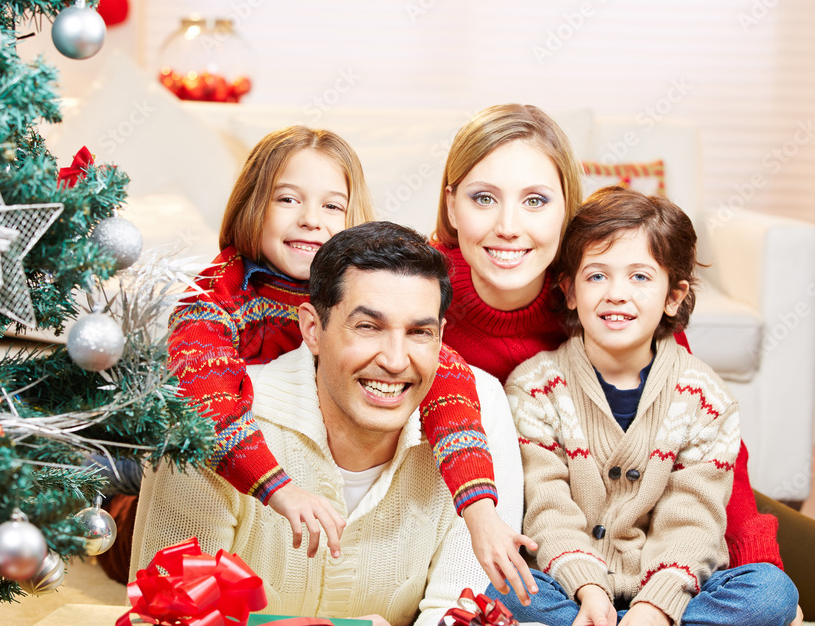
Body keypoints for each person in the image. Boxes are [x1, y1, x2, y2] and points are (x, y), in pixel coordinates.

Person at [430, 104, 811, 626]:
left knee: (781, 591)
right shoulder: (418, 293)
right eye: (483, 198)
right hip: (544, 544)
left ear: (567, 210)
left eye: (535, 200)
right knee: (497, 593)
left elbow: (715, 476)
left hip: (674, 508)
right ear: (451, 203)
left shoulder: (623, 310)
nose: (508, 226)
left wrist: (766, 569)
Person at [161, 125, 536, 601]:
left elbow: (451, 390)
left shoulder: (370, 286)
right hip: (233, 448)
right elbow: (204, 407)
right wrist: (281, 489)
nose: (311, 221)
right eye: (287, 200)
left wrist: (479, 509)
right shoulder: (214, 301)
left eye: (332, 206)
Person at [129, 222, 526, 626]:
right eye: (368, 327)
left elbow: (459, 624)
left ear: (441, 336)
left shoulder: (481, 407)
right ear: (312, 330)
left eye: (419, 332)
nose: (395, 361)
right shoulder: (212, 421)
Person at [488, 186, 798, 626]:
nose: (616, 294)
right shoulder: (534, 386)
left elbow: (693, 516)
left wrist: (657, 603)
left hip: (676, 595)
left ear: (673, 297)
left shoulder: (704, 397)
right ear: (569, 291)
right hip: (571, 589)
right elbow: (546, 503)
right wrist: (587, 585)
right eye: (596, 277)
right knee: (505, 593)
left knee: (772, 595)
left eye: (639, 277)